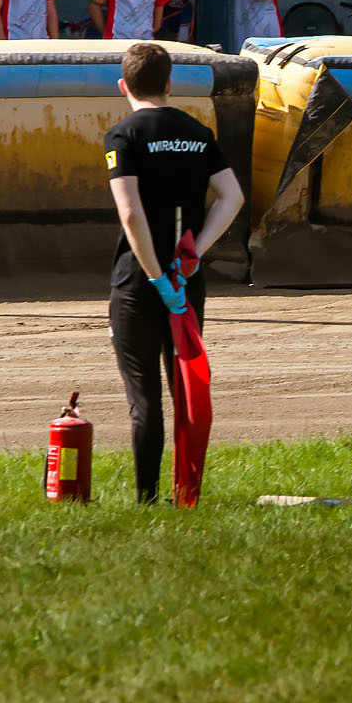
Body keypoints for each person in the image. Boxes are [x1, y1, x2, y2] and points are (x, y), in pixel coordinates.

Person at [102, 41, 245, 504]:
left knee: (144, 400)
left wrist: (156, 276)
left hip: (139, 282)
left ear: (124, 85)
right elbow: (232, 197)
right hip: (187, 281)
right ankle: (186, 493)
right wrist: (196, 252)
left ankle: (147, 498)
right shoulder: (198, 131)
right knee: (184, 390)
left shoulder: (122, 135)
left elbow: (131, 214)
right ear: (169, 84)